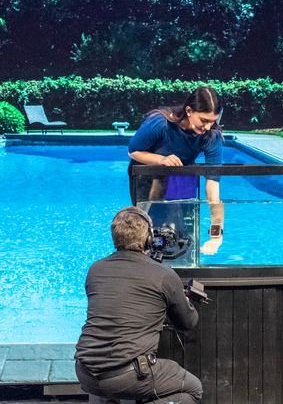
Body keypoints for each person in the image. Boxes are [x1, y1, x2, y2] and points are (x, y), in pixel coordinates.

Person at [75, 206, 202, 404]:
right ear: (148, 239)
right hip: (128, 376)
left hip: (85, 372)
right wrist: (183, 301)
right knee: (193, 389)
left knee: (109, 386)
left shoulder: (95, 269)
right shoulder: (163, 275)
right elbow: (187, 323)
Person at [128, 85, 225, 255]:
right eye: (204, 120)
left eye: (213, 121)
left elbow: (212, 192)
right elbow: (133, 151)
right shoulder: (160, 123)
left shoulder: (212, 136)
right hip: (147, 173)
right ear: (189, 111)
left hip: (182, 173)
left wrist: (216, 236)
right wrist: (161, 160)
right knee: (150, 221)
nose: (209, 127)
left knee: (181, 226)